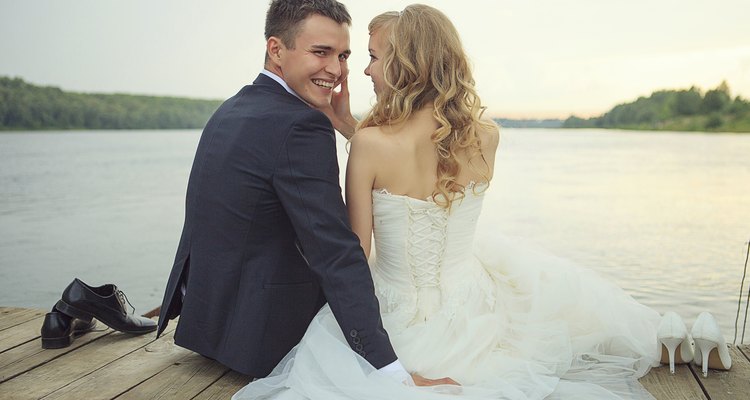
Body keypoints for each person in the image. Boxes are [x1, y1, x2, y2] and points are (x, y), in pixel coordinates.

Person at [233, 4, 661, 399]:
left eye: (374, 57)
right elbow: (426, 157)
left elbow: (357, 254)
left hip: (397, 321)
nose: (363, 71)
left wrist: (350, 129)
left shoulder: (368, 146)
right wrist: (348, 123)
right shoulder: (487, 137)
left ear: (406, 66)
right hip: (477, 314)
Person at [156, 0, 449, 386]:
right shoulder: (302, 126)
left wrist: (345, 123)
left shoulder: (231, 109)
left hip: (206, 325)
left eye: (343, 55)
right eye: (321, 52)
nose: (337, 70)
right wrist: (390, 371)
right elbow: (336, 253)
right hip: (263, 342)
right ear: (276, 49)